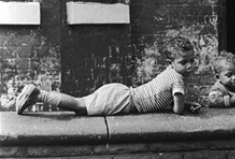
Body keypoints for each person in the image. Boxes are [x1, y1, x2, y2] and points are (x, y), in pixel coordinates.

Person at [15, 36, 201, 116]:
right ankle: (39, 94)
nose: (189, 65)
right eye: (184, 62)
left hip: (121, 93)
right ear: (171, 62)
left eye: (192, 60)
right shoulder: (177, 79)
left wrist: (187, 103)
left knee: (81, 105)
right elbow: (177, 110)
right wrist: (183, 104)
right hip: (124, 100)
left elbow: (163, 97)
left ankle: (38, 95)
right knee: (80, 106)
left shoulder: (170, 73)